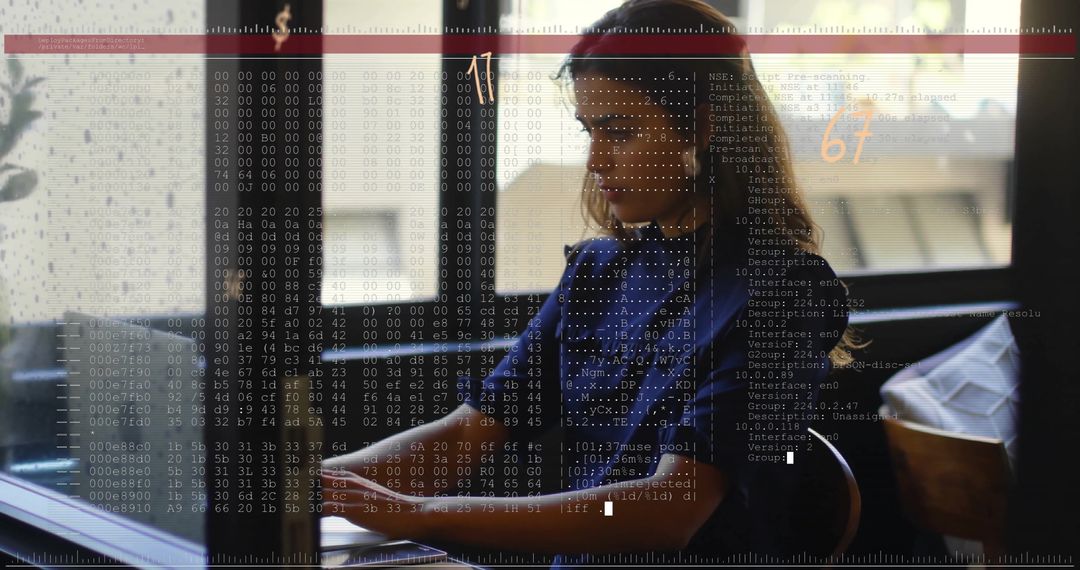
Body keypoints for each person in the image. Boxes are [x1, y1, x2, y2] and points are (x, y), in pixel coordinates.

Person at [322, 0, 862, 566]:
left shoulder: (783, 293)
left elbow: (670, 510)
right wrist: (300, 485)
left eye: (620, 132)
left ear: (703, 127)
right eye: (589, 131)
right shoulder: (598, 273)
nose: (594, 160)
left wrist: (415, 514)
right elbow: (466, 437)